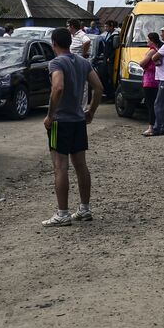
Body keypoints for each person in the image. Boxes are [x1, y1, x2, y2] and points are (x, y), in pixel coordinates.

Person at [41, 27, 102, 226]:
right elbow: (99, 87)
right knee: (81, 166)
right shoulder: (83, 62)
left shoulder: (56, 62)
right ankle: (84, 209)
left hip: (61, 122)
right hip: (78, 120)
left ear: (54, 43)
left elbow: (58, 87)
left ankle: (63, 213)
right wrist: (90, 111)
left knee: (60, 167)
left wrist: (50, 116)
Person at [139, 31, 160, 134]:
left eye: (147, 39)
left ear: (152, 40)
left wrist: (142, 63)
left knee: (150, 104)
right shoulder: (157, 50)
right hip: (154, 80)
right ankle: (154, 125)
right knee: (152, 103)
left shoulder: (152, 51)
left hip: (150, 80)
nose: (146, 40)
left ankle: (151, 127)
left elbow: (142, 63)